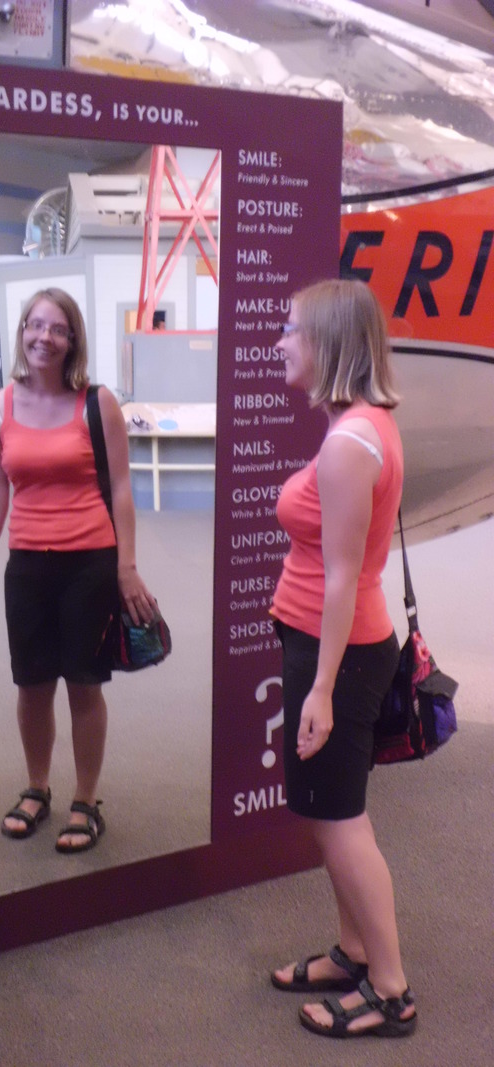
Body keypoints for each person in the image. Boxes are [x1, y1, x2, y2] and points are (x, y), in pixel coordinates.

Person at [268, 279, 417, 1038]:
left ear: (328, 342)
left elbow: (341, 578)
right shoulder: (358, 426)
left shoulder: (351, 442)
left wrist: (321, 689)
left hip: (342, 654)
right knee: (331, 815)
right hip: (334, 646)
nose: (280, 343)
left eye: (291, 330)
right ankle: (356, 952)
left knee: (340, 822)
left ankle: (390, 990)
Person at [0, 288, 157, 853]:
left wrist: (127, 566)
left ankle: (85, 800)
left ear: (72, 339)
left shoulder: (97, 404)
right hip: (27, 566)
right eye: (35, 325)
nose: (44, 338)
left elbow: (121, 490)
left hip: (89, 565)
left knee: (83, 684)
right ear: (21, 332)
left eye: (57, 329)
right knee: (31, 685)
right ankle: (36, 788)